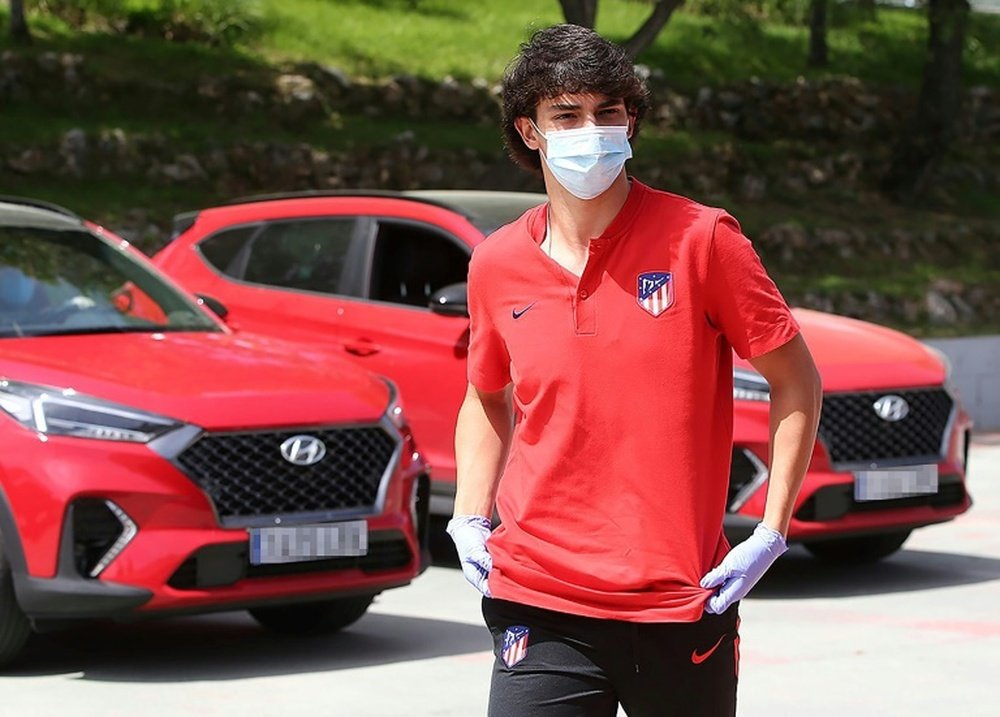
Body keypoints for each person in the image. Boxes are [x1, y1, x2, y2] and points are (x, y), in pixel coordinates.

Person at [447, 23, 823, 717]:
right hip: (538, 597)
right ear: (530, 132)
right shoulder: (495, 262)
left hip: (681, 602)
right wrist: (471, 511)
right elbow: (486, 394)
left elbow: (796, 380)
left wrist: (772, 530)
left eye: (609, 112)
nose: (593, 130)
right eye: (568, 115)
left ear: (631, 122)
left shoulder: (702, 239)